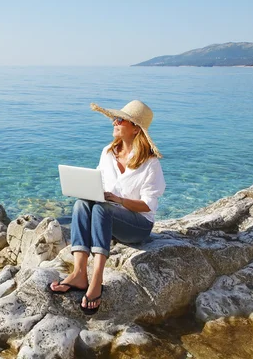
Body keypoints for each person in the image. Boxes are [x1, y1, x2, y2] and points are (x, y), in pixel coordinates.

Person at [49, 100, 166, 315]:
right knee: (82, 204)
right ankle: (79, 273)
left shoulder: (150, 163)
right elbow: (98, 183)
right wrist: (89, 191)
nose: (114, 121)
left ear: (135, 128)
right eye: (115, 118)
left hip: (138, 225)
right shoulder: (108, 153)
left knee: (103, 209)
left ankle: (97, 279)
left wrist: (119, 200)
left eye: (120, 119)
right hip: (110, 220)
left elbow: (148, 205)